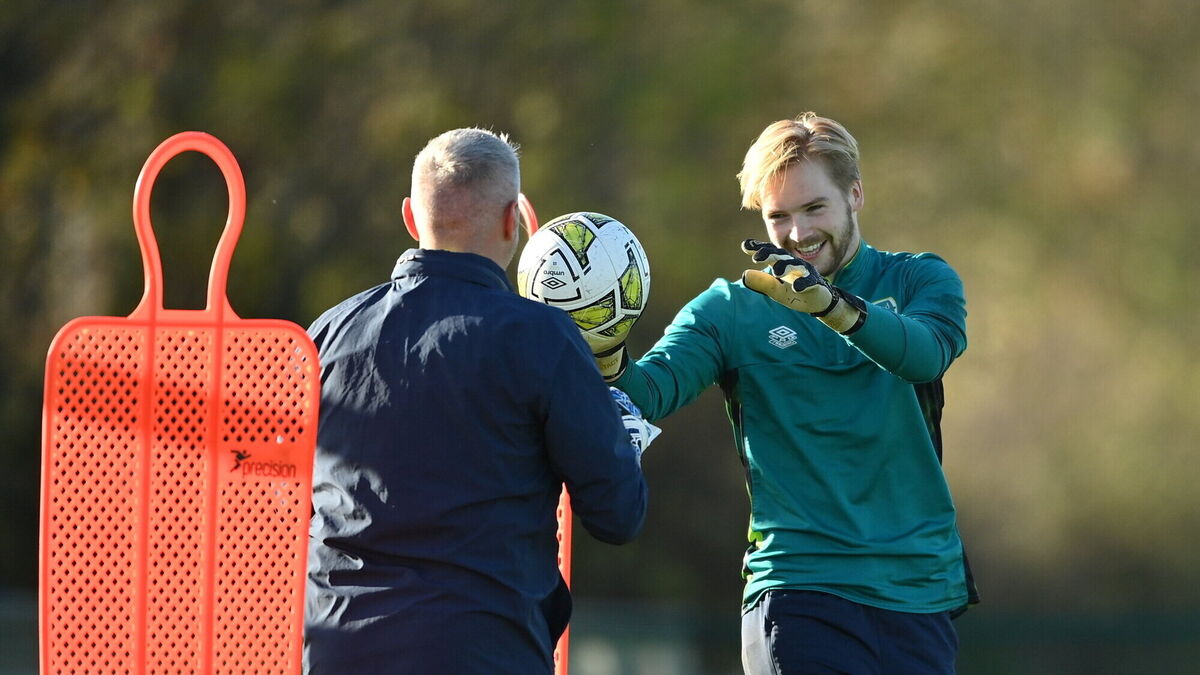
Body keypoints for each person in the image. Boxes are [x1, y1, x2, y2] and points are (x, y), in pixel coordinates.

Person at [593, 112, 979, 674]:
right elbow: (647, 394)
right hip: (800, 590)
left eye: (814, 208)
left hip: (919, 591)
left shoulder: (919, 279)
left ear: (855, 195)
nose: (798, 234)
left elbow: (925, 354)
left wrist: (836, 310)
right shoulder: (731, 309)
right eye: (778, 216)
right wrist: (603, 343)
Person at [303, 128, 648, 675]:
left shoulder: (325, 335)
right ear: (513, 220)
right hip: (482, 648)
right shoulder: (543, 337)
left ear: (410, 218)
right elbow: (618, 514)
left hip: (335, 649)